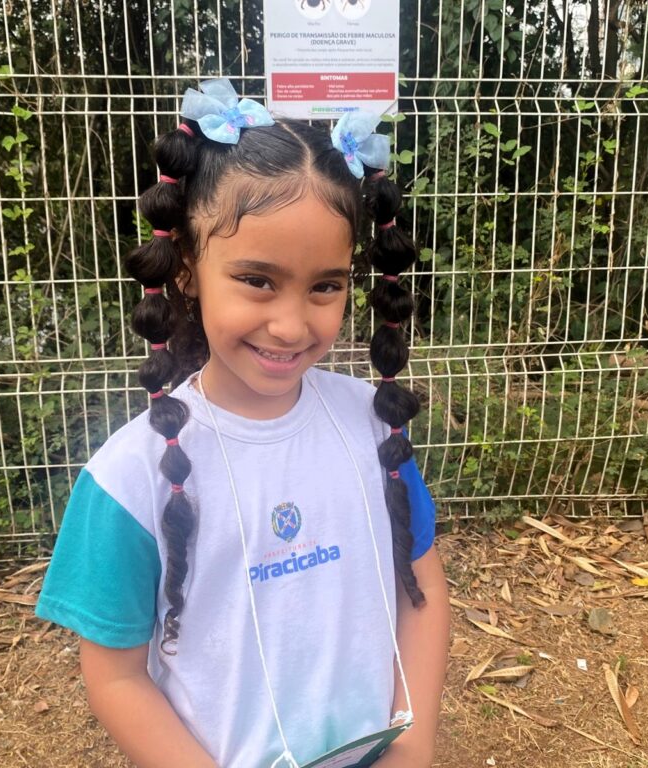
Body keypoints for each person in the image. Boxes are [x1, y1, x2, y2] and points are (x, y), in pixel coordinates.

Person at [36, 79, 450, 768]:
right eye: (258, 280)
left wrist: (412, 744)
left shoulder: (375, 427)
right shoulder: (126, 478)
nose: (291, 325)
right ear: (190, 270)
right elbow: (115, 675)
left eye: (326, 285)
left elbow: (424, 587)